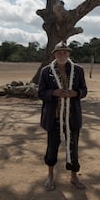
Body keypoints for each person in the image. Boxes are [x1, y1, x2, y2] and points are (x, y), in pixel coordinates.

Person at [38, 41, 88, 191]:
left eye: (65, 52)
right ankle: (50, 176)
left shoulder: (78, 70)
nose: (62, 55)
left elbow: (84, 90)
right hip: (53, 118)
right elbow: (40, 93)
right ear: (54, 54)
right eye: (59, 52)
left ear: (69, 54)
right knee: (52, 148)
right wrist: (53, 93)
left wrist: (76, 93)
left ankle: (74, 177)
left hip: (72, 117)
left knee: (73, 148)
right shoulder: (46, 71)